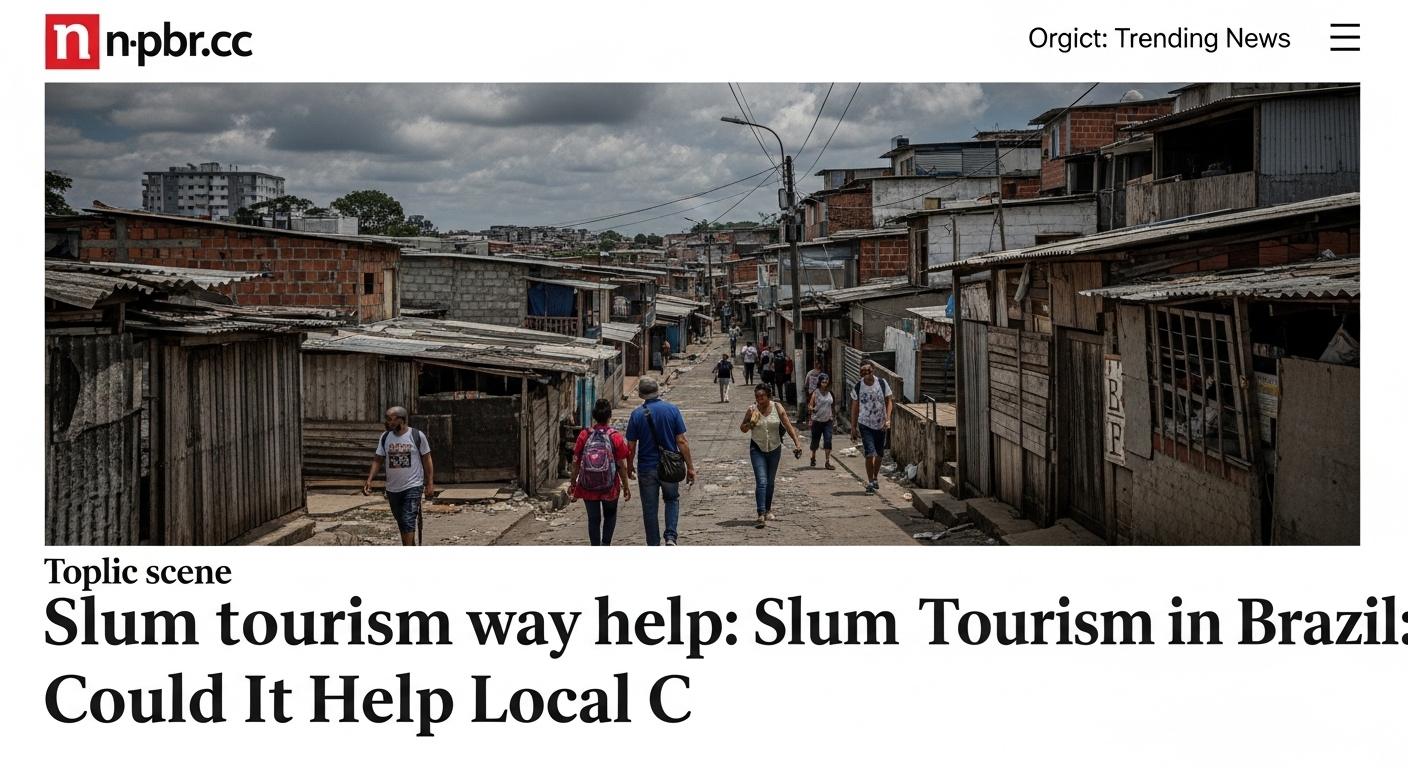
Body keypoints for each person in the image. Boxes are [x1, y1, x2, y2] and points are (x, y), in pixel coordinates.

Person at [625, 377, 696, 545]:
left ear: (641, 395)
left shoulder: (636, 415)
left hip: (646, 467)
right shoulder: (672, 410)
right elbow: (681, 441)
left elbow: (631, 445)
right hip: (670, 466)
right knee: (672, 499)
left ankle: (653, 544)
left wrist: (629, 466)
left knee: (650, 508)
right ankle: (670, 536)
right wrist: (690, 467)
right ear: (658, 391)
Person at [362, 406, 435, 546]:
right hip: (392, 489)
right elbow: (378, 459)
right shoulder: (385, 437)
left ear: (401, 419)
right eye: (387, 419)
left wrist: (430, 483)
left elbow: (427, 459)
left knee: (408, 519)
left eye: (391, 419)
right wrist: (369, 480)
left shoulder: (417, 435)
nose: (388, 422)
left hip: (413, 486)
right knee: (401, 521)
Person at [740, 383, 802, 528]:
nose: (759, 399)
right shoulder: (751, 410)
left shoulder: (777, 407)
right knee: (762, 481)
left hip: (775, 448)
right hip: (757, 448)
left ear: (769, 396)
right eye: (757, 396)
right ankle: (761, 513)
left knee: (770, 481)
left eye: (762, 396)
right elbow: (742, 428)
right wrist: (750, 424)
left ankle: (768, 509)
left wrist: (797, 443)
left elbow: (787, 425)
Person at [570, 398, 631, 546]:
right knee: (610, 515)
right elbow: (621, 464)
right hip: (610, 486)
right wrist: (626, 485)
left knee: (593, 519)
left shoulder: (585, 435)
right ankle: (606, 545)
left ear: (594, 416)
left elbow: (576, 462)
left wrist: (573, 483)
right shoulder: (614, 436)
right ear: (609, 416)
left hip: (587, 486)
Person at [849, 361, 894, 495]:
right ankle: (870, 482)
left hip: (880, 424)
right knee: (869, 453)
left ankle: (875, 477)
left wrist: (888, 418)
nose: (866, 374)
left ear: (873, 370)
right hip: (865, 424)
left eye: (869, 371)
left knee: (879, 454)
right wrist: (853, 427)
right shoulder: (858, 386)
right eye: (864, 372)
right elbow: (855, 407)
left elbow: (889, 401)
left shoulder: (882, 383)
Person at [808, 374, 836, 469]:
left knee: (828, 440)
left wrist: (833, 418)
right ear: (820, 382)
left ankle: (827, 461)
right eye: (823, 382)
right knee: (815, 440)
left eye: (826, 381)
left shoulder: (830, 393)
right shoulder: (815, 393)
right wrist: (812, 409)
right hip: (817, 421)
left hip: (828, 421)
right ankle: (813, 456)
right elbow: (810, 405)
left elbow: (832, 406)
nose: (825, 383)